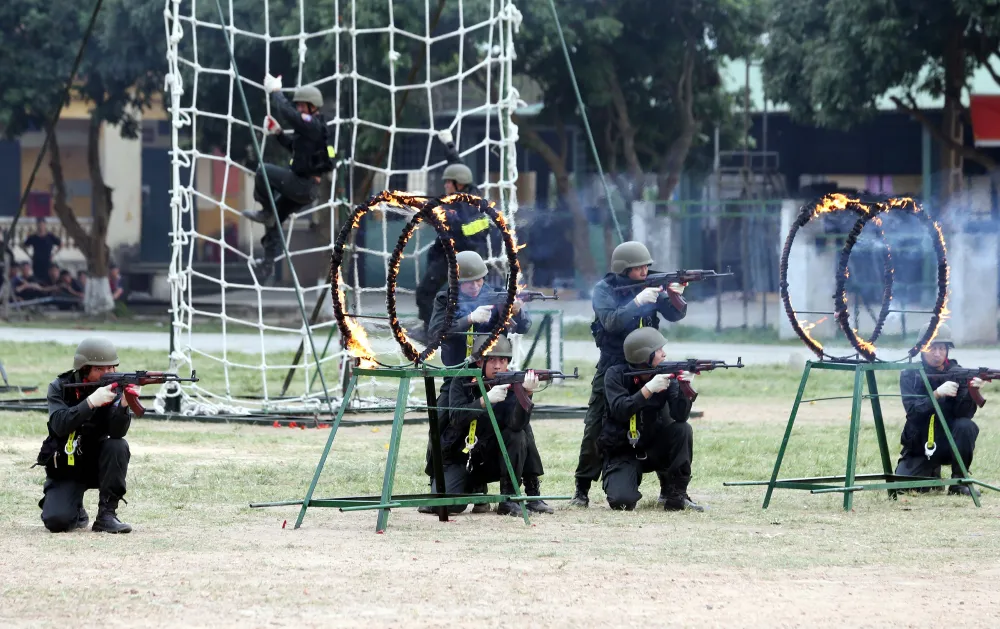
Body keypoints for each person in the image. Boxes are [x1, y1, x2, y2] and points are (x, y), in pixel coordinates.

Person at [424, 250, 552, 513]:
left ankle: (528, 490)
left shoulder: (496, 295)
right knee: (445, 424)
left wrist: (518, 312)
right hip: (458, 373)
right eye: (470, 282)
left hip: (494, 372)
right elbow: (436, 333)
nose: (476, 286)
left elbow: (522, 327)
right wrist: (468, 319)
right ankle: (443, 480)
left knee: (519, 427)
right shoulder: (444, 298)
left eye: (480, 280)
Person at [570, 241, 688, 508]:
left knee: (664, 420)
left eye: (647, 265)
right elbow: (610, 322)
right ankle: (582, 488)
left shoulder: (652, 283)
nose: (646, 270)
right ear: (624, 269)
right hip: (614, 365)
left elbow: (674, 315)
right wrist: (637, 302)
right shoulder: (604, 290)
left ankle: (671, 489)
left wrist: (675, 296)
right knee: (595, 426)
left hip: (649, 365)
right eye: (639, 268)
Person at [422, 334, 538, 517]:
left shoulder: (512, 383)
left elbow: (516, 425)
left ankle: (508, 499)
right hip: (461, 456)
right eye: (491, 360)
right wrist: (484, 401)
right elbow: (456, 418)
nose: (498, 365)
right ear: (479, 363)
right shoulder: (461, 380)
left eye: (502, 360)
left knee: (518, 435)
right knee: (448, 507)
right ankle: (473, 488)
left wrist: (527, 394)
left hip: (491, 458)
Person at [34, 338, 137, 533]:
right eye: (101, 368)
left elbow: (117, 432)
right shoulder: (60, 387)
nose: (108, 373)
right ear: (84, 368)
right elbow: (59, 425)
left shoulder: (115, 388)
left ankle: (107, 515)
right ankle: (75, 509)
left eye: (111, 368)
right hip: (66, 464)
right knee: (57, 522)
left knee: (118, 445)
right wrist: (90, 403)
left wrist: (124, 405)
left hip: (98, 462)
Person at [241, 74, 334, 281]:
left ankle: (266, 210)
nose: (300, 109)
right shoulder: (310, 131)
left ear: (313, 107)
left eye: (303, 106)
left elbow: (288, 113)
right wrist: (278, 133)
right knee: (274, 221)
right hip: (303, 189)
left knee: (263, 171)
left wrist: (276, 92)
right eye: (299, 106)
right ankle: (267, 264)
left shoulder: (312, 125)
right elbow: (295, 147)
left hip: (302, 185)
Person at [601, 327, 704, 511]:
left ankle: (676, 494)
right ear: (644, 355)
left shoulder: (665, 374)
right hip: (623, 449)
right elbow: (620, 410)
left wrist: (684, 389)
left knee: (683, 429)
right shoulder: (615, 375)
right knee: (622, 502)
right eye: (658, 350)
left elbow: (680, 416)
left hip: (655, 447)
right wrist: (648, 390)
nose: (664, 354)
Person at [413, 128, 491, 341]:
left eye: (449, 182)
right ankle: (437, 328)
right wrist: (449, 145)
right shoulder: (466, 192)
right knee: (435, 294)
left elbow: (464, 229)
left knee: (426, 293)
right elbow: (458, 166)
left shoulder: (469, 205)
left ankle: (432, 333)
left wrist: (440, 216)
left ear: (459, 184)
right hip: (452, 254)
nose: (445, 185)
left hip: (461, 257)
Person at [894, 323, 982, 496]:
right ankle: (932, 472)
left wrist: (972, 391)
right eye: (932, 348)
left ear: (948, 350)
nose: (937, 354)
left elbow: (964, 414)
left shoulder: (958, 372)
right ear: (921, 349)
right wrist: (936, 394)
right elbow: (913, 412)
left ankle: (959, 481)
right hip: (920, 443)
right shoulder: (910, 375)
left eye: (942, 348)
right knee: (902, 487)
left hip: (949, 441)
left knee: (966, 426)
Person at [23, 217, 61, 283]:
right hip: (37, 261)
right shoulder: (33, 237)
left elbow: (60, 244)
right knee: (37, 278)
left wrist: (54, 254)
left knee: (48, 278)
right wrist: (29, 255)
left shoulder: (50, 236)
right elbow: (24, 246)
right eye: (39, 224)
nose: (40, 226)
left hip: (47, 260)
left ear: (45, 225)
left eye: (42, 224)